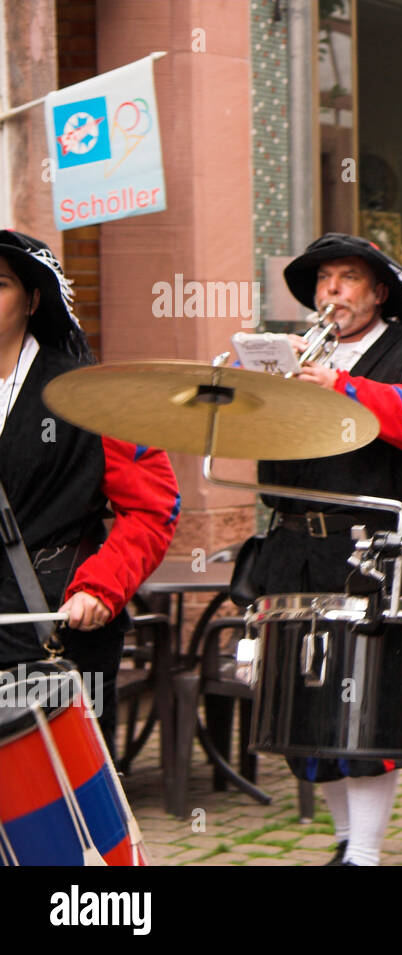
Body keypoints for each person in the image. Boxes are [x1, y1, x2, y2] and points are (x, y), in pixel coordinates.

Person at [246, 233, 402, 866]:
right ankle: (345, 845)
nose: (331, 291)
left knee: (367, 706)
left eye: (347, 278)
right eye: (323, 280)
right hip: (297, 550)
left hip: (376, 552)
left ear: (379, 292)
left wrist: (341, 385)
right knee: (307, 710)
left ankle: (364, 854)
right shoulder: (298, 349)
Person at [0, 230, 179, 757]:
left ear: (33, 300)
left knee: (56, 811)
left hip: (53, 624)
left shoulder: (93, 396)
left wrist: (100, 588)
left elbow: (154, 507)